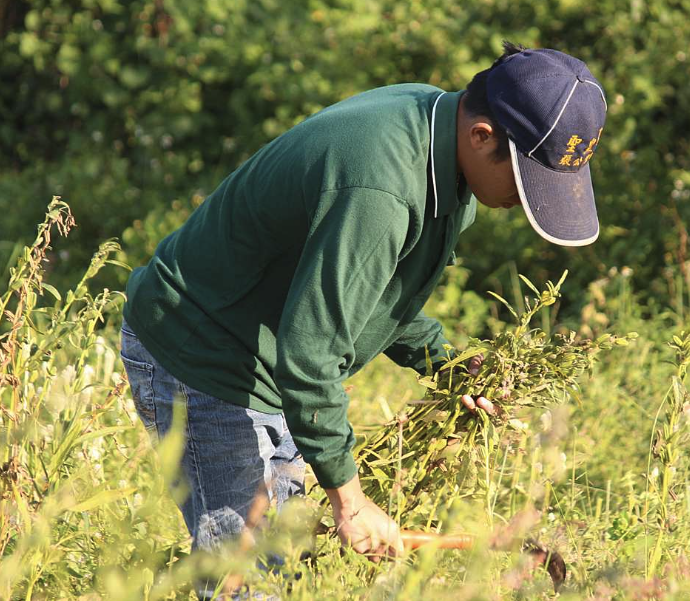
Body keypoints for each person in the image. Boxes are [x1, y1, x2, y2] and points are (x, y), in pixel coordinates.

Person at [119, 41, 607, 597]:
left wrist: (449, 366)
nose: (525, 203)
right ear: (482, 136)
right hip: (203, 358)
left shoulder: (439, 135)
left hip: (259, 355)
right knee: (249, 583)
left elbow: (377, 295)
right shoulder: (383, 187)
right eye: (526, 184)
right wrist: (350, 502)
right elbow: (308, 358)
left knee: (282, 566)